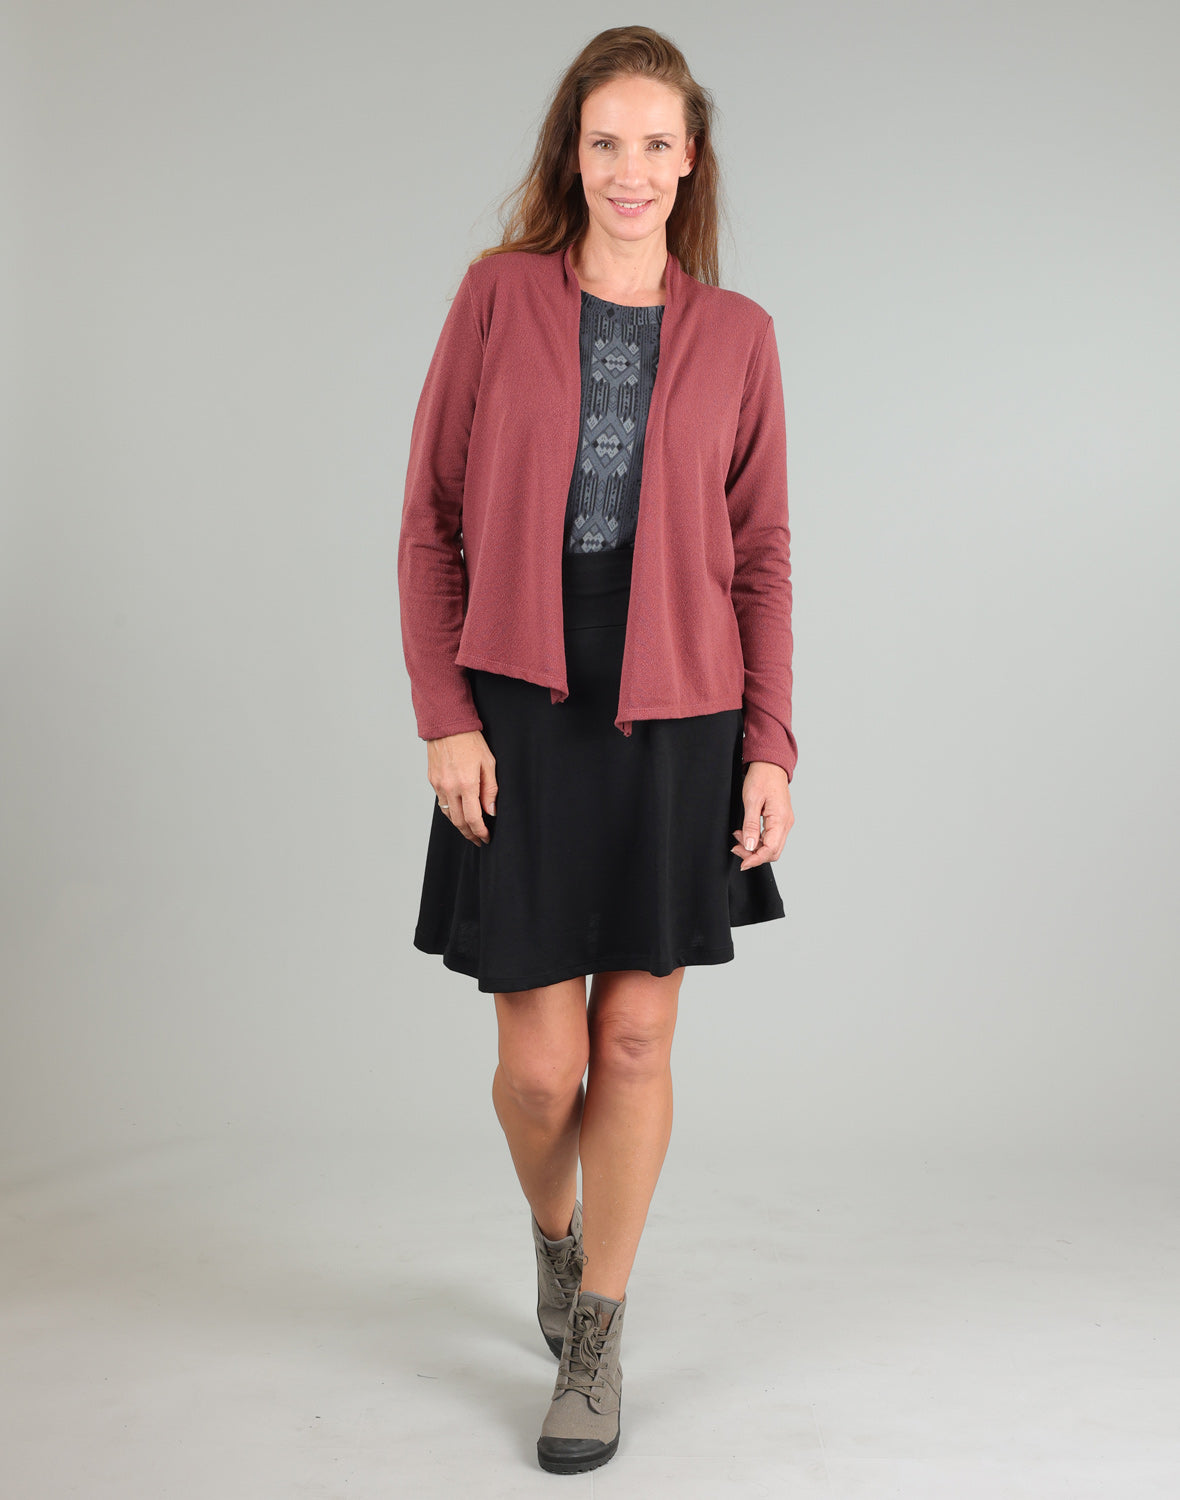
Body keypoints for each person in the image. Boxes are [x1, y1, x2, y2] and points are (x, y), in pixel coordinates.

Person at [397, 24, 797, 1476]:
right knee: (538, 1069)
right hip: (519, 698)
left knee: (634, 1037)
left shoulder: (739, 334)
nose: (632, 169)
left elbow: (763, 555)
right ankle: (554, 1233)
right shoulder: (495, 298)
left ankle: (599, 1333)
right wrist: (446, 713)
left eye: (657, 143)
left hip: (679, 707)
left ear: (691, 162)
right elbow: (430, 521)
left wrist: (771, 743)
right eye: (606, 141)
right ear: (574, 155)